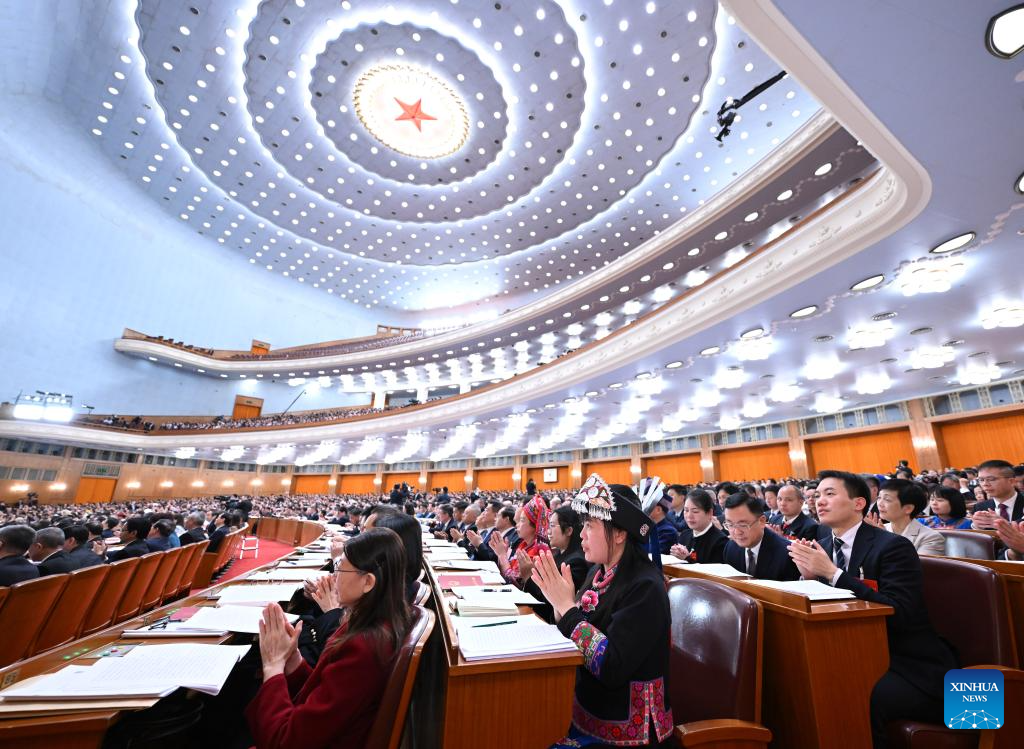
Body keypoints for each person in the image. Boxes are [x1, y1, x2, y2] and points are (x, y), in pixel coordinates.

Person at [788, 470, 957, 748]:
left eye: (830, 494)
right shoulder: (825, 544)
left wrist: (833, 575)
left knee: (855, 696)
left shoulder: (893, 546)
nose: (819, 501)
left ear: (859, 503)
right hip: (853, 651)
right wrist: (810, 578)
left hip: (907, 662)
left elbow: (899, 611)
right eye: (817, 495)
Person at [532, 474, 673, 748]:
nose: (582, 534)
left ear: (620, 533)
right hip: (585, 711)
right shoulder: (599, 571)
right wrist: (562, 609)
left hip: (627, 730)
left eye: (590, 525)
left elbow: (611, 667)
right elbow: (579, 631)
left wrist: (566, 607)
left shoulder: (646, 587)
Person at [245, 528, 412, 749]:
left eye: (339, 568)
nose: (333, 577)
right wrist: (293, 659)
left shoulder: (363, 648)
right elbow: (324, 692)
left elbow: (286, 741)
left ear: (368, 582)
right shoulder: (374, 624)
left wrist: (273, 665)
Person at [723, 492, 800, 580]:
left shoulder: (786, 554)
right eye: (730, 524)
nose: (737, 532)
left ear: (762, 521)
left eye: (743, 524)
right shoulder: (730, 547)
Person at [875, 479, 944, 556]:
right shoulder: (879, 529)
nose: (880, 504)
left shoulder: (931, 538)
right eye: (879, 498)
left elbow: (912, 566)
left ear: (908, 508)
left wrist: (886, 539)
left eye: (887, 499)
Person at [492, 495, 550, 585]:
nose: (517, 525)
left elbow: (515, 582)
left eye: (522, 520)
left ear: (535, 526)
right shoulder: (524, 544)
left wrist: (502, 555)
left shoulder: (538, 551)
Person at [669, 489, 727, 564]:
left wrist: (687, 558)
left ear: (709, 513)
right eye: (686, 510)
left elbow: (713, 573)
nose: (689, 516)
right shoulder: (685, 535)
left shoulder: (720, 541)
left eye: (695, 511)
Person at [971, 459, 1024, 528]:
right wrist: (975, 526)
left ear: (1011, 481)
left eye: (991, 479)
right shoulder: (980, 507)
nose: (985, 484)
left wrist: (1005, 525)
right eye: (981, 480)